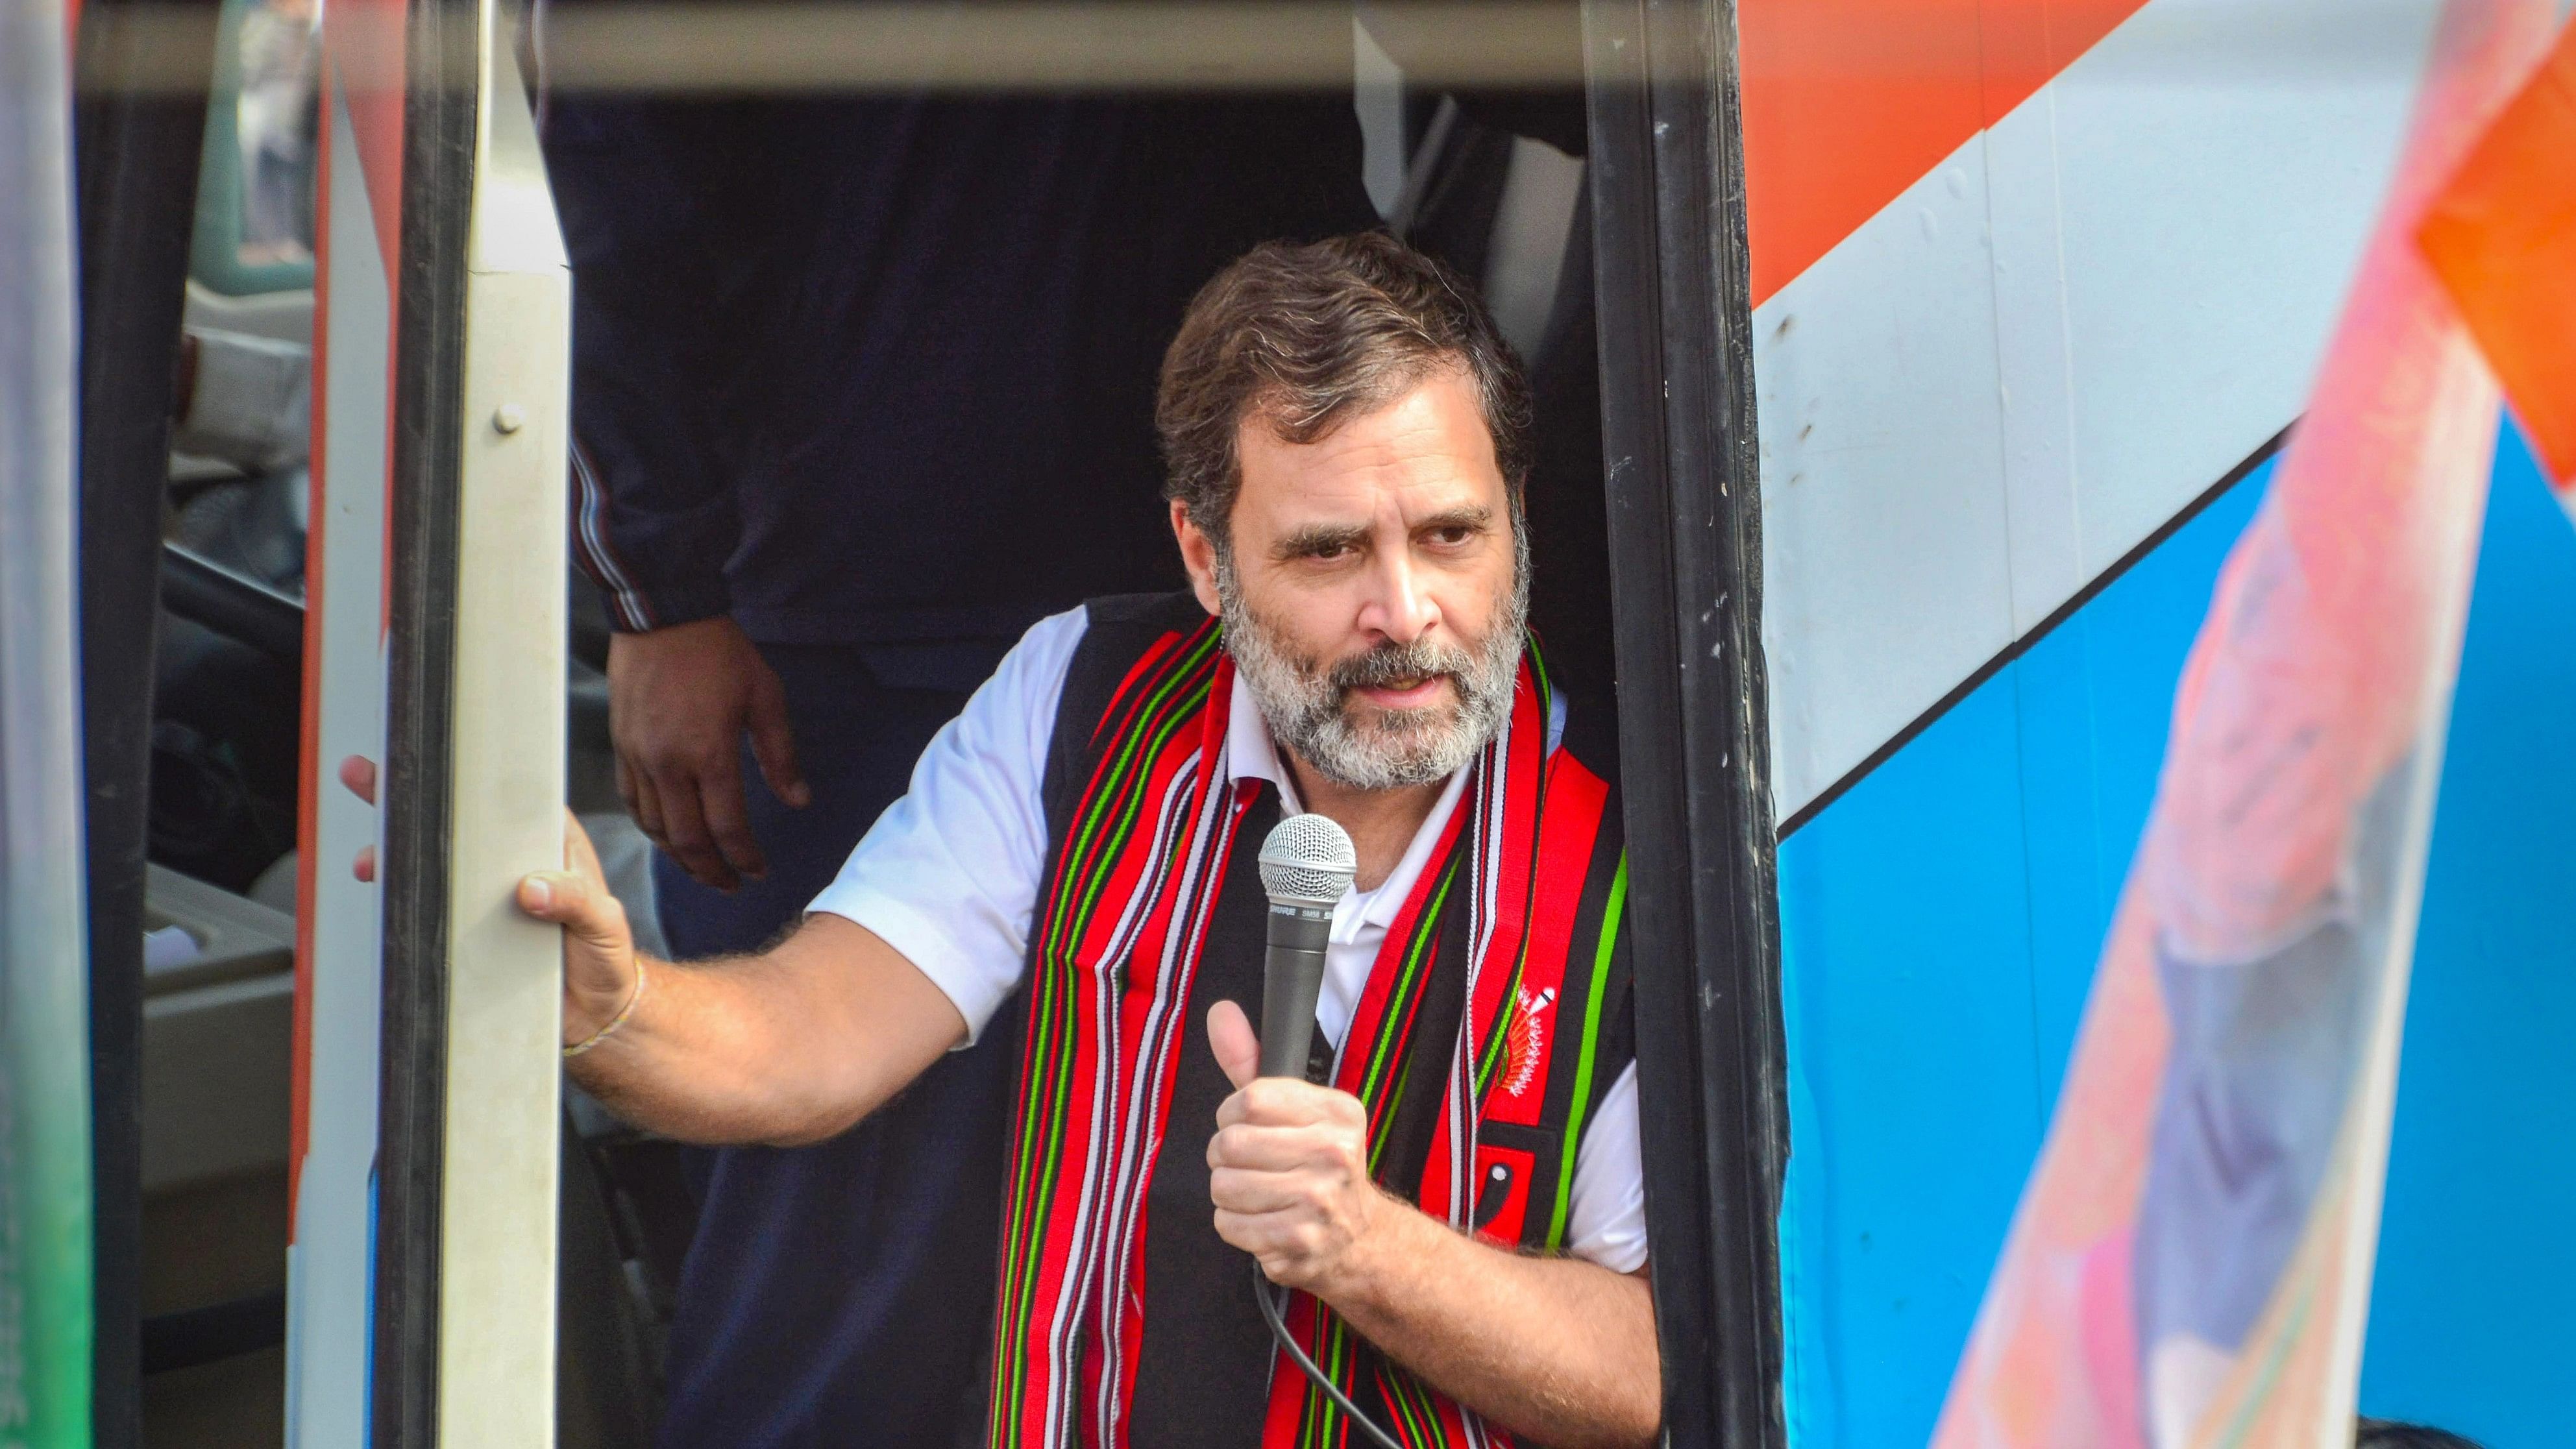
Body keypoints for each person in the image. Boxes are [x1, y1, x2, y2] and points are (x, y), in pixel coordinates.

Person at [354, 233, 1658, 1446]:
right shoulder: (1088, 696)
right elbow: (814, 1036)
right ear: (1205, 558)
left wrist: (1363, 1245)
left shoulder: (1643, 839)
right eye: (1326, 552)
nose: (1404, 610)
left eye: (1448, 535)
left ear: (1514, 516)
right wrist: (603, 1008)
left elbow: (1666, 1368)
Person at [534, 16, 1382, 1440]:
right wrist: (657, 592)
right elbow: (607, 182)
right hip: (862, 623)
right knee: (842, 1247)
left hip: (1229, 610)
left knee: (1142, 1208)